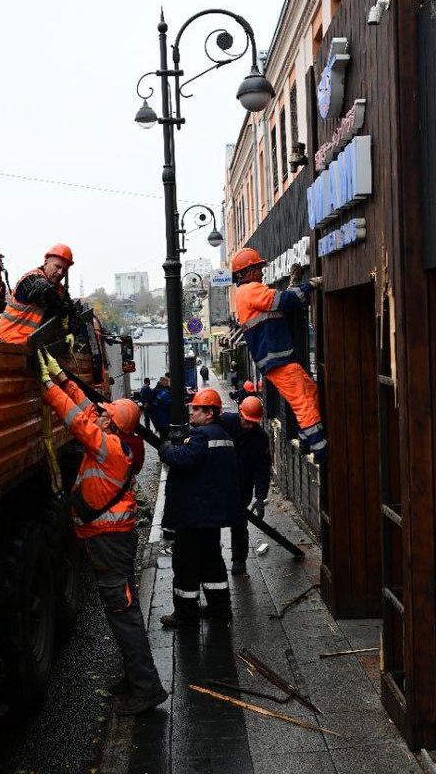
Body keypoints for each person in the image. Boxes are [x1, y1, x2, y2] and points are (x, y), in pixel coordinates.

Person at [35, 349, 167, 715]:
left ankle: (146, 688)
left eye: (107, 414)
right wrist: (61, 377)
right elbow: (86, 410)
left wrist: (47, 386)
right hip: (111, 537)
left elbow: (77, 421)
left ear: (114, 425)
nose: (101, 414)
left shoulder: (109, 447)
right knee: (121, 610)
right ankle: (136, 679)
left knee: (122, 612)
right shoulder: (114, 440)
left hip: (109, 540)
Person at [231, 248, 326, 462]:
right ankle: (320, 449)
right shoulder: (251, 290)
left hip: (277, 359)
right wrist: (311, 285)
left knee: (309, 391)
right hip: (277, 360)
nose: (262, 272)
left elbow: (279, 306)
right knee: (302, 399)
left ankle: (306, 439)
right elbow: (284, 301)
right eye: (259, 268)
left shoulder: (246, 293)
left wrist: (293, 290)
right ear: (249, 271)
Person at [158, 388, 240, 626]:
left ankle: (186, 615)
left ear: (209, 413)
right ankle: (219, 609)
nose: (191, 412)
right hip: (210, 517)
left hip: (193, 516)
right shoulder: (224, 436)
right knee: (212, 562)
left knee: (186, 565)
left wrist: (165, 449)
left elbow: (181, 459)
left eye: (196, 409)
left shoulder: (201, 435)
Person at [220, 395, 270, 576]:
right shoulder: (225, 423)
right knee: (211, 520)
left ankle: (239, 559)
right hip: (219, 482)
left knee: (239, 523)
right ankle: (211, 558)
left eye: (253, 423)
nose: (249, 426)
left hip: (242, 486)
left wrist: (260, 497)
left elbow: (262, 470)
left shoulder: (261, 438)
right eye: (247, 421)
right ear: (240, 414)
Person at [0, 244, 78, 346]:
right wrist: (65, 312)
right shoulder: (31, 279)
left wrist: (71, 332)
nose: (60, 272)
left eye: (64, 270)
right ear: (46, 262)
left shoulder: (60, 291)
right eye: (57, 267)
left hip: (30, 346)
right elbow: (45, 293)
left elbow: (73, 312)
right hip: (6, 343)